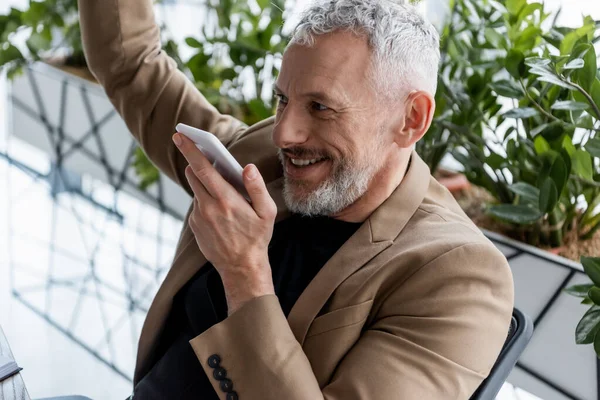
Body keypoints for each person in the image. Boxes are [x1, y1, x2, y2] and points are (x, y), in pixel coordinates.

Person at [78, 0, 514, 398]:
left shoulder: (459, 276)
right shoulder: (259, 162)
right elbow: (132, 66)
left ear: (411, 118)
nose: (284, 133)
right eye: (283, 100)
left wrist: (244, 274)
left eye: (320, 107)